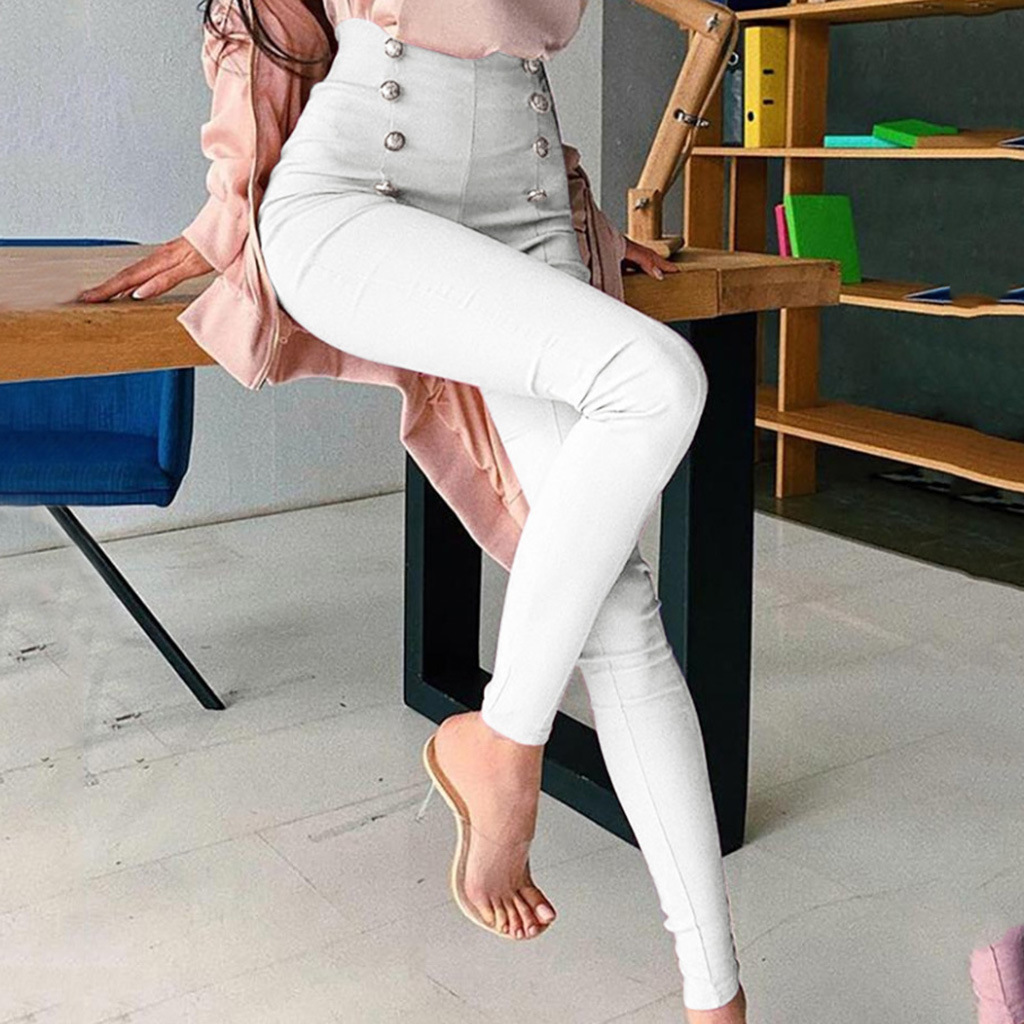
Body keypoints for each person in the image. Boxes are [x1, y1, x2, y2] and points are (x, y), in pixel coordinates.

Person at [78, 2, 747, 1019]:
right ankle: (504, 740)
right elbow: (279, 25)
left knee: (617, 605)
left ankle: (715, 999)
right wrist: (222, 218)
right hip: (356, 195)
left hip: (530, 207)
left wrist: (592, 220)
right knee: (657, 381)